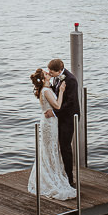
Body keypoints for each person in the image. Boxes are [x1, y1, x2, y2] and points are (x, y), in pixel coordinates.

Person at [26, 68, 77, 200]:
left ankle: (50, 172)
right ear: (43, 79)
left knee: (49, 149)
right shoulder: (46, 91)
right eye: (46, 74)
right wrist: (61, 91)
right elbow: (58, 106)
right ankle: (50, 176)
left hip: (50, 122)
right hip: (49, 123)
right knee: (50, 149)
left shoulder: (46, 88)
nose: (48, 73)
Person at [44, 58, 80, 187]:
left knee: (65, 147)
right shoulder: (57, 77)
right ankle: (59, 173)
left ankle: (70, 178)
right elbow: (56, 92)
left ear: (59, 71)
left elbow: (70, 102)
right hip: (59, 116)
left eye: (51, 72)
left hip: (69, 117)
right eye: (49, 71)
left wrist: (54, 112)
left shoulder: (70, 80)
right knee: (57, 145)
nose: (49, 73)